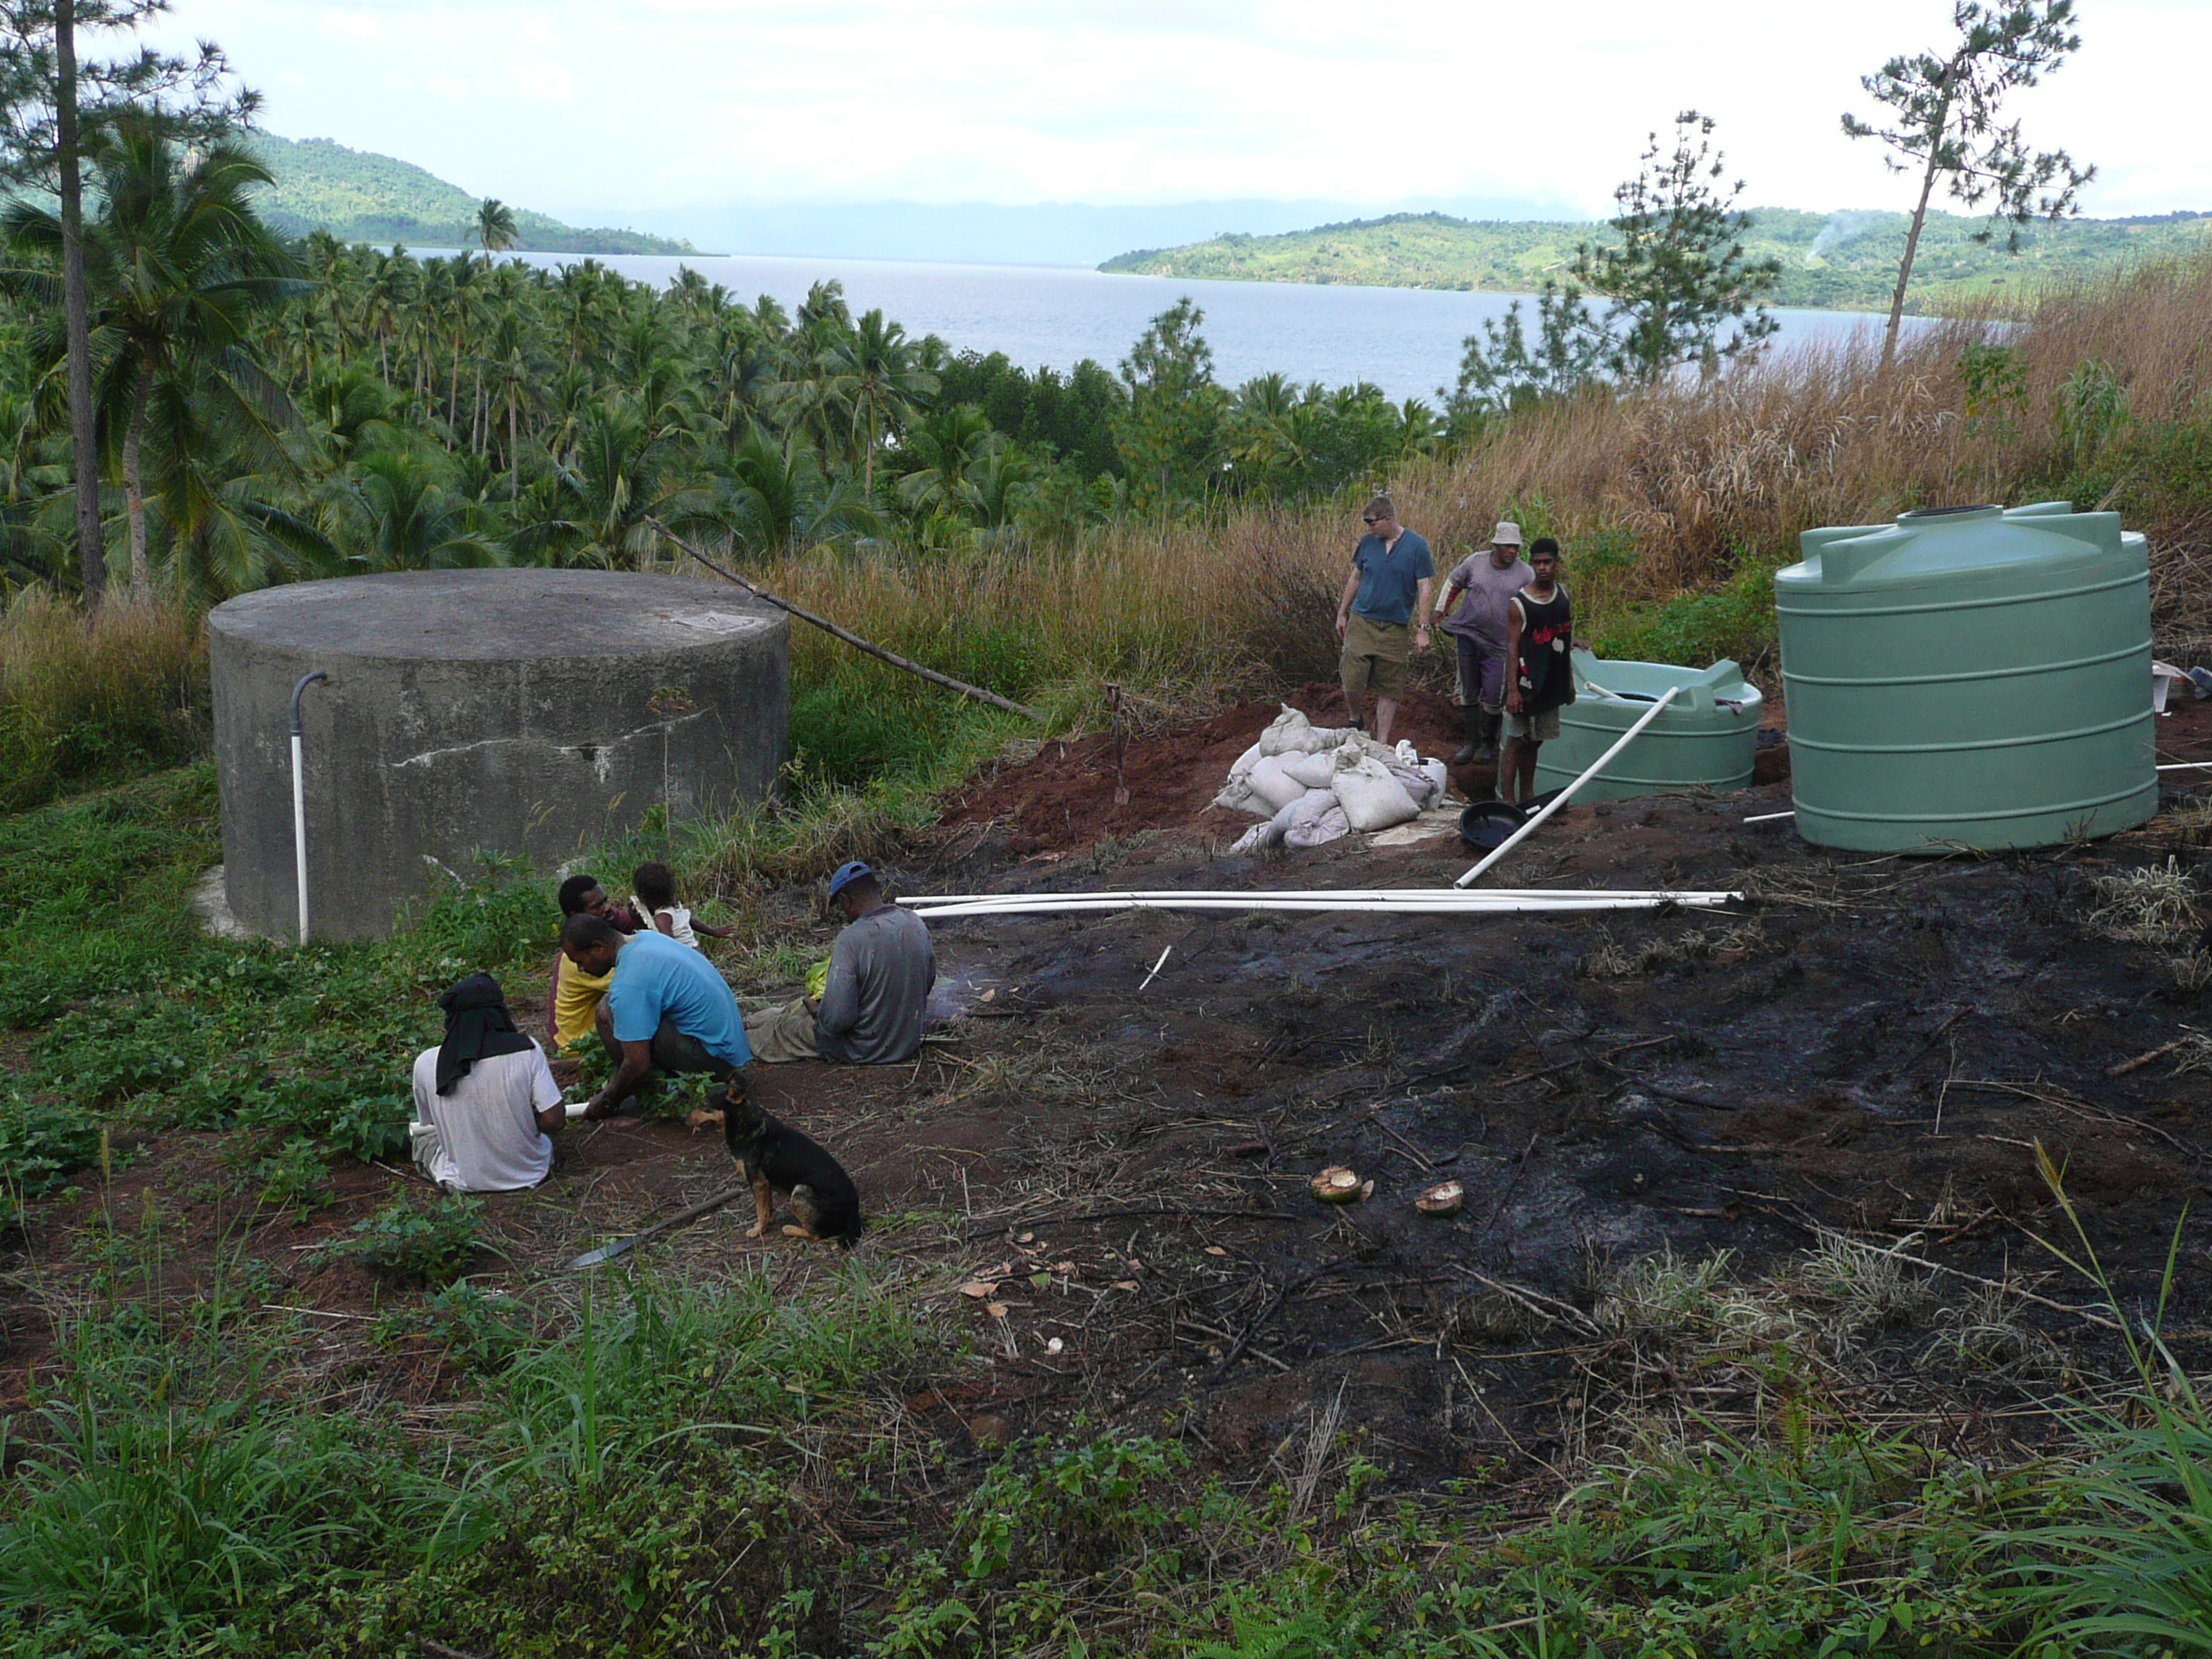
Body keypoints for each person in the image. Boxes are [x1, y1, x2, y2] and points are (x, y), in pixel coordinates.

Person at [560, 911, 755, 1119]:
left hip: (714, 1056)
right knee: (611, 1007)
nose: (581, 969)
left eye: (580, 961)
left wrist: (608, 1100)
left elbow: (638, 1063)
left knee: (611, 1015)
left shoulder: (629, 981)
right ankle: (635, 1081)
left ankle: (648, 1090)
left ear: (599, 947)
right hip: (730, 1047)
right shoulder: (646, 938)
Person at [744, 862, 936, 1065]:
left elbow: (836, 1021)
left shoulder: (852, 938)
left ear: (846, 901)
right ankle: (748, 1021)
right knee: (793, 1008)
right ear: (877, 890)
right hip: (906, 1041)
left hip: (864, 1048)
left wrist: (817, 1012)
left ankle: (741, 1037)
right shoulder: (914, 921)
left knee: (782, 1030)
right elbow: (928, 982)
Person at [410, 973, 565, 1193]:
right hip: (532, 1173)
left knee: (423, 1138)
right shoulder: (527, 1050)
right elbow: (555, 1120)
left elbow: (432, 1123)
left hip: (464, 1181)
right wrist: (519, 1118)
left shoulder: (426, 1062)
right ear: (498, 1012)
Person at [1333, 494, 1432, 744]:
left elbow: (1425, 588)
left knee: (1390, 686)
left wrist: (1422, 628)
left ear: (1389, 519)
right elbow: (1356, 577)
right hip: (1363, 620)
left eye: (1372, 522)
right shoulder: (1367, 543)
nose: (1369, 527)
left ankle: (1383, 740)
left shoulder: (1417, 546)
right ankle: (1355, 718)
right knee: (1352, 675)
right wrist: (1342, 612)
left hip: (1395, 626)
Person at [1432, 521, 1532, 765]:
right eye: (1508, 546)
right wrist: (1439, 610)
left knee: (1494, 695)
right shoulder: (1475, 562)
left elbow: (1537, 601)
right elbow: (1452, 584)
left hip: (1500, 644)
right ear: (1496, 546)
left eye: (1516, 547)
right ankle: (1470, 743)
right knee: (1468, 691)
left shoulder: (1524, 573)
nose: (1513, 551)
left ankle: (1487, 743)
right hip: (1469, 635)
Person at [1502, 537, 1574, 806]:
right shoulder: (1519, 604)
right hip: (1525, 681)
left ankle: (1527, 796)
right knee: (1516, 741)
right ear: (1532, 564)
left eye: (1548, 562)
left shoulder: (1563, 595)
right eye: (1538, 563)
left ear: (1557, 562)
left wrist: (1569, 685)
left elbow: (1563, 636)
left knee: (1536, 740)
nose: (1542, 567)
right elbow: (1512, 647)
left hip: (1551, 682)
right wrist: (1512, 690)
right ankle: (1508, 802)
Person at [545, 873, 642, 1056]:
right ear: (578, 916)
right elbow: (636, 981)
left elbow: (634, 924)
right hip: (579, 1047)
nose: (608, 908)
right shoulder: (581, 957)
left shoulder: (602, 926)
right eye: (598, 906)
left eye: (606, 901)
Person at [632, 860, 738, 950]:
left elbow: (670, 945)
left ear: (643, 897)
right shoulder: (676, 907)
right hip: (695, 949)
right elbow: (691, 921)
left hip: (686, 955)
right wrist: (713, 931)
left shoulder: (662, 918)